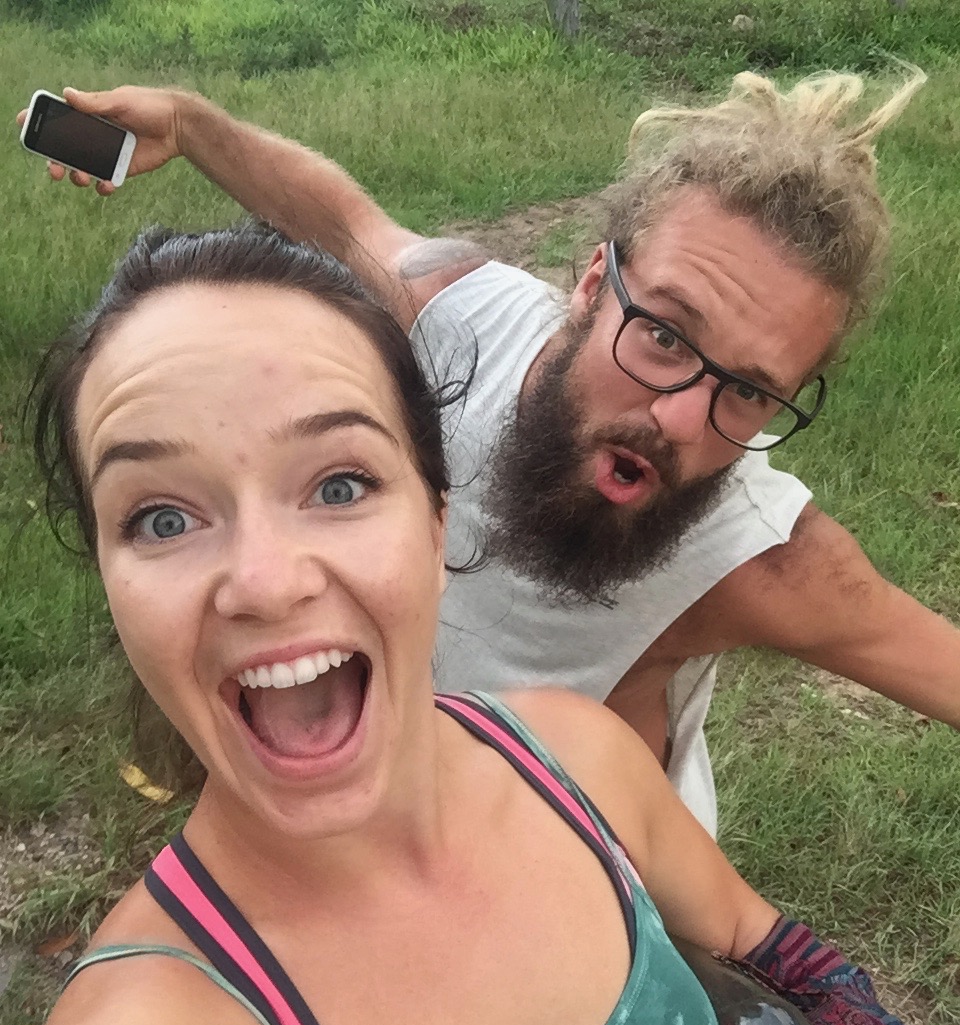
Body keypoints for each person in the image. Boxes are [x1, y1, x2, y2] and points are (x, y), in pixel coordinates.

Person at [15, 225, 957, 1025]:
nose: (267, 581)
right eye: (160, 515)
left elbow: (777, 965)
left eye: (337, 484)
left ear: (436, 518)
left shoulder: (578, 763)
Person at [17, 68, 960, 835]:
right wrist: (190, 123)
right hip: (377, 808)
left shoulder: (761, 558)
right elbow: (341, 219)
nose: (680, 419)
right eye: (666, 336)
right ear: (593, 281)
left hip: (607, 896)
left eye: (748, 392)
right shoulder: (467, 316)